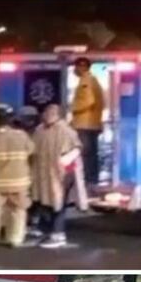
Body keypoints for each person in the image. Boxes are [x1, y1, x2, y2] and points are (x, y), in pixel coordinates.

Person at [0, 104, 34, 247]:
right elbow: (32, 151)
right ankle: (15, 238)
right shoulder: (22, 136)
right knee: (17, 210)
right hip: (19, 182)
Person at [30, 103, 81, 248]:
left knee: (58, 204)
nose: (47, 114)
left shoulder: (66, 130)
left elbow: (77, 148)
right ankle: (46, 231)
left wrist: (65, 161)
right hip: (43, 174)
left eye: (51, 112)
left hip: (61, 174)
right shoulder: (39, 130)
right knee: (45, 202)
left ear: (58, 114)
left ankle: (59, 235)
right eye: (46, 111)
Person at [70, 57, 105, 188]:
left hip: (84, 124)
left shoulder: (86, 80)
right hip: (92, 123)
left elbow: (89, 100)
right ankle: (92, 179)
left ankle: (87, 180)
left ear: (82, 67)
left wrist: (73, 108)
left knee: (85, 153)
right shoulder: (93, 80)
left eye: (76, 66)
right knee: (91, 153)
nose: (75, 69)